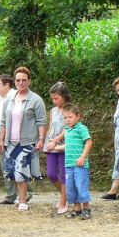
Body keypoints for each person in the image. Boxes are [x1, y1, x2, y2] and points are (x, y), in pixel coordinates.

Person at [0, 66, 47, 212]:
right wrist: (1, 140)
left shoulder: (36, 100)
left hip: (27, 141)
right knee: (12, 171)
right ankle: (21, 197)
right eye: (18, 80)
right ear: (15, 82)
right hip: (10, 141)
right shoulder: (9, 100)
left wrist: (41, 139)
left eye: (24, 80)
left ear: (29, 81)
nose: (21, 82)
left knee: (22, 171)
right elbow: (3, 122)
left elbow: (41, 121)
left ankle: (23, 200)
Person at [0, 74, 32, 204]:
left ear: (7, 85)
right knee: (6, 167)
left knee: (17, 166)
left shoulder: (14, 97)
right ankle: (11, 195)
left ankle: (26, 193)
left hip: (13, 138)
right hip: (0, 137)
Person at [62, 103, 93, 219]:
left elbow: (89, 142)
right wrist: (54, 147)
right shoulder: (67, 130)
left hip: (80, 165)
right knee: (70, 187)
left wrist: (82, 157)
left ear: (78, 116)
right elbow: (67, 145)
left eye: (70, 117)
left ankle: (86, 208)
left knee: (81, 186)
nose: (67, 120)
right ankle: (77, 209)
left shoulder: (81, 128)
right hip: (68, 164)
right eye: (65, 118)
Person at [44, 82, 70, 214]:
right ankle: (65, 195)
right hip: (51, 145)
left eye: (56, 98)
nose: (54, 101)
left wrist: (56, 140)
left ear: (64, 96)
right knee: (51, 174)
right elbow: (50, 127)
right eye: (52, 98)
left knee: (63, 173)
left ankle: (64, 201)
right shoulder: (53, 111)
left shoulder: (70, 110)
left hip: (64, 145)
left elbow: (68, 128)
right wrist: (45, 140)